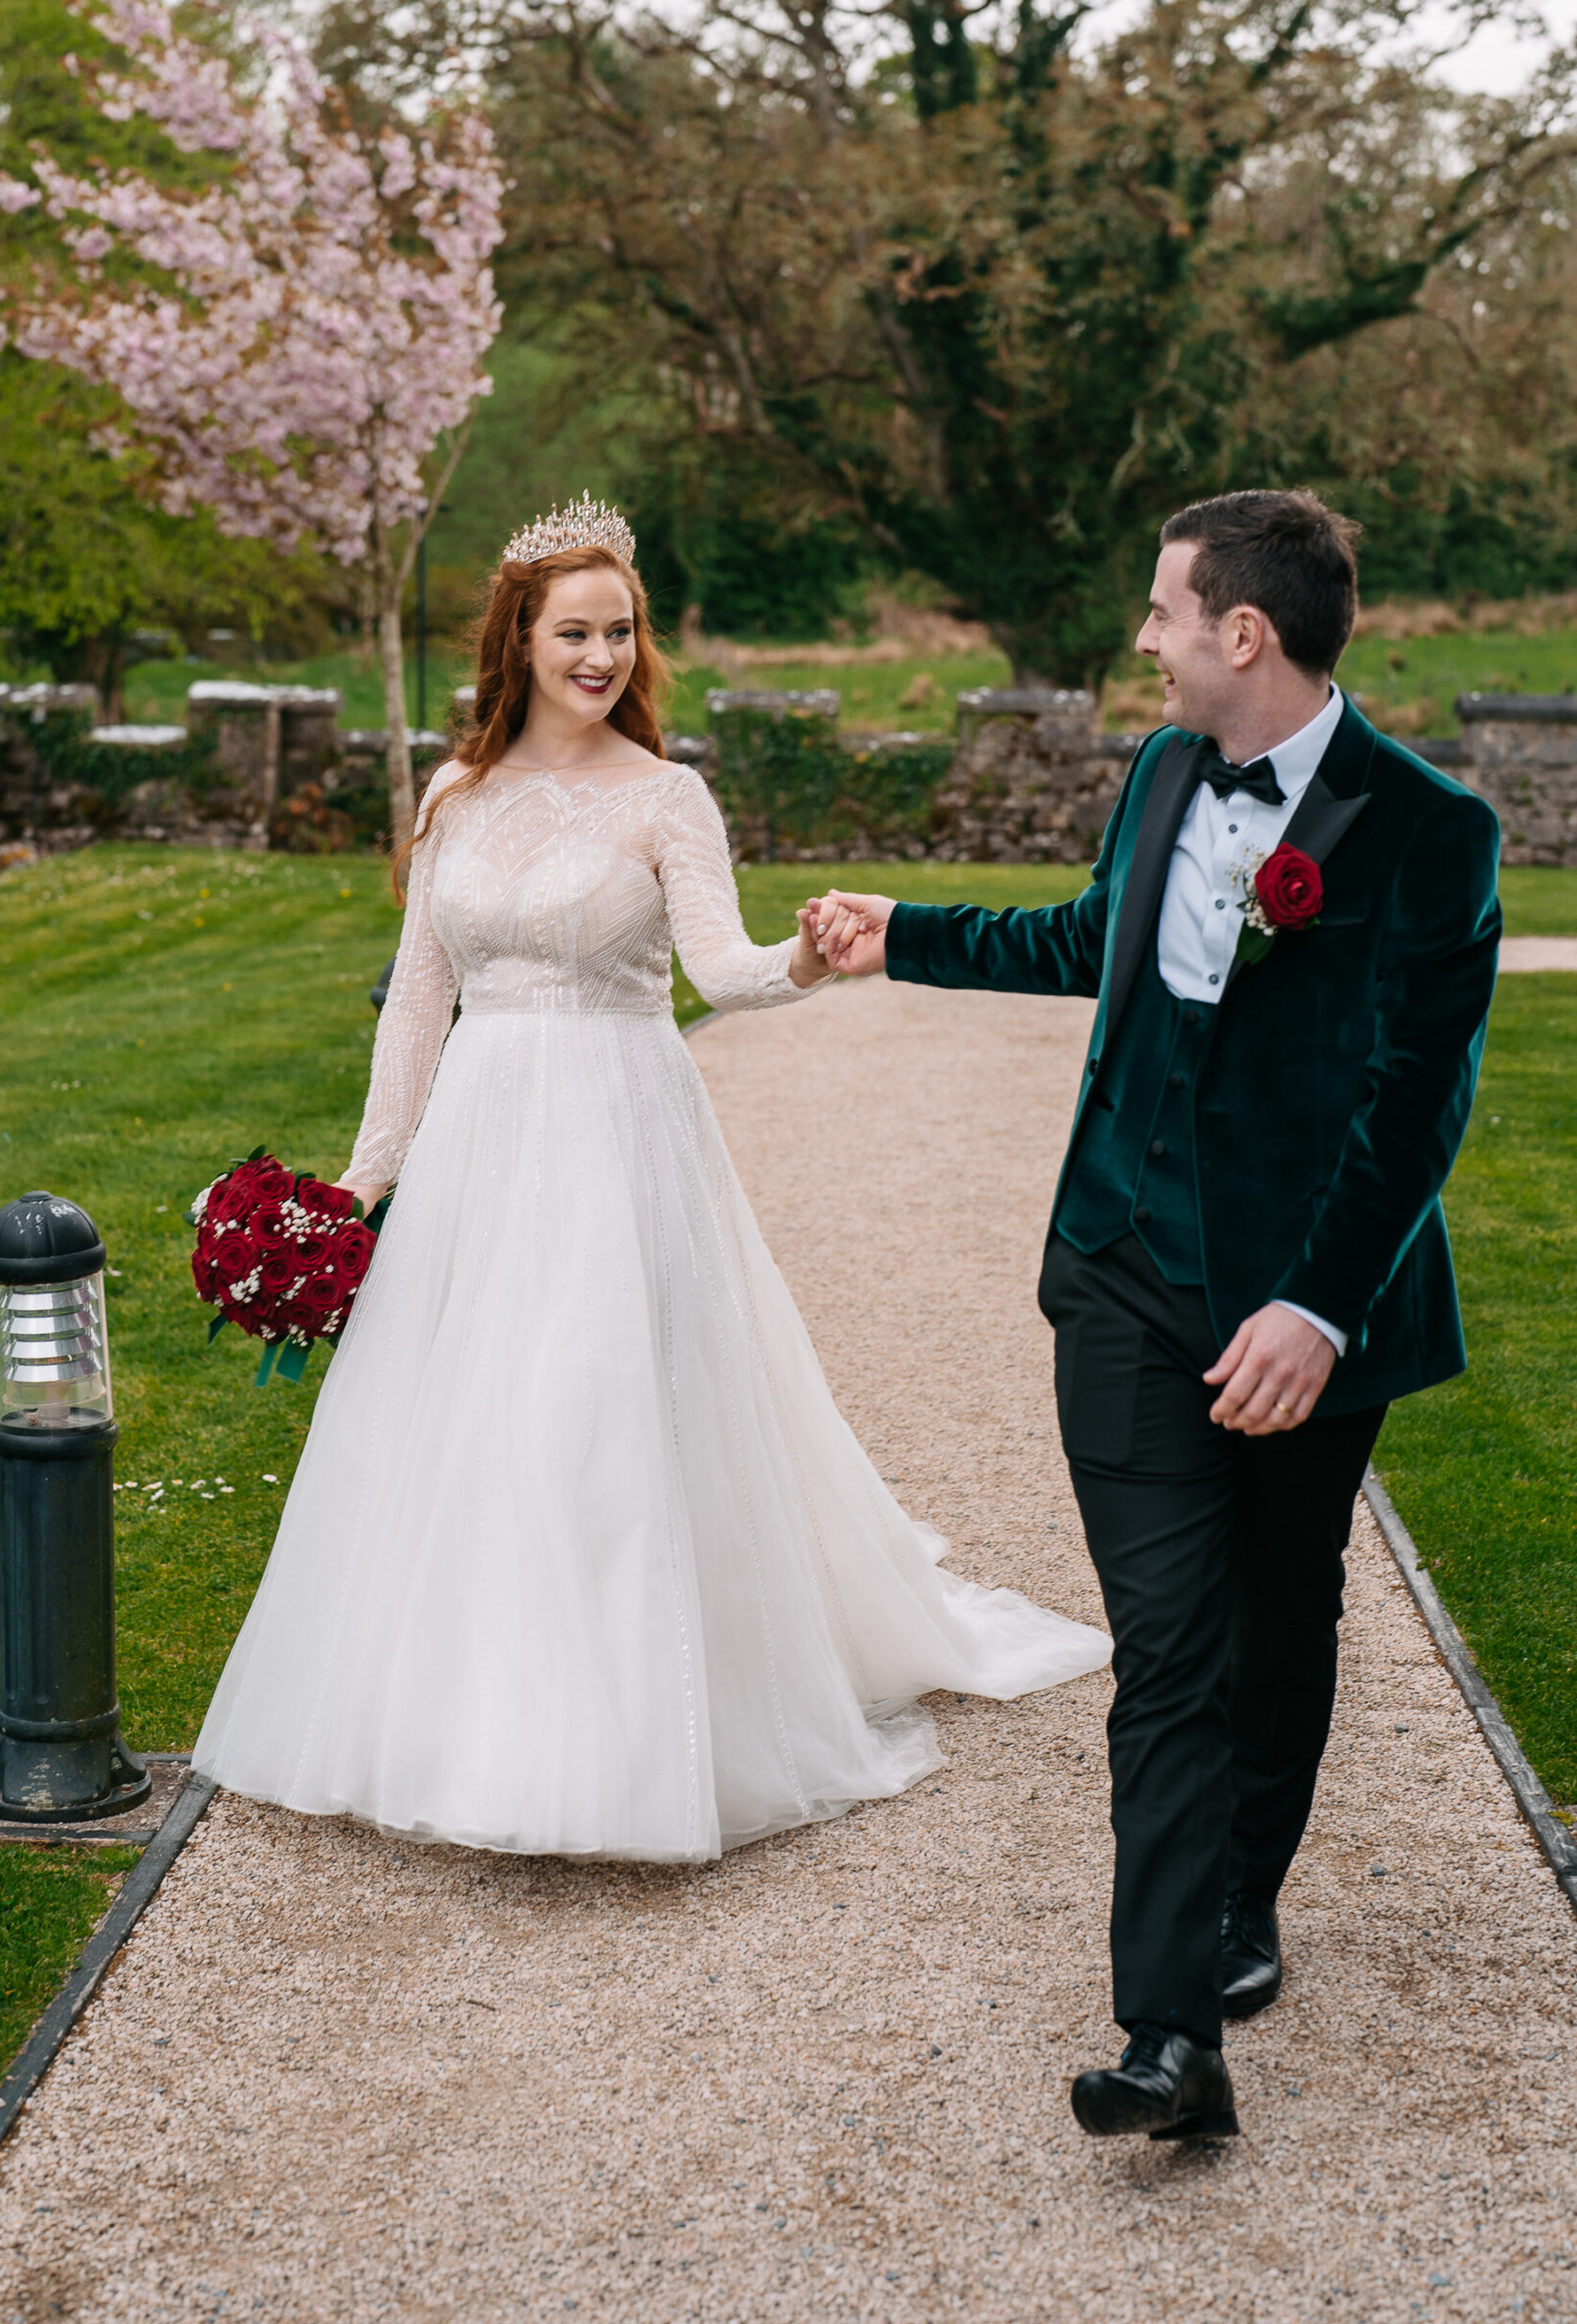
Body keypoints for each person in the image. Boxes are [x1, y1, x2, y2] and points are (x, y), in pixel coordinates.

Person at [194, 497, 1111, 1862]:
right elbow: (416, 1008)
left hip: (621, 1132)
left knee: (597, 1410)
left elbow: (723, 974)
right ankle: (468, 1724)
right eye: (577, 631)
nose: (603, 655)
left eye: (621, 630)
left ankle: (617, 1750)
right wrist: (362, 1186)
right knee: (472, 1416)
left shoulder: (668, 797)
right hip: (482, 1144)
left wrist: (805, 959)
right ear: (522, 635)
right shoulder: (455, 795)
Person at [809, 490, 1501, 2140]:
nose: (1143, 637)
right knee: (1175, 1642)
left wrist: (1316, 1314)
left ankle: (1246, 1891)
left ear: (1239, 634)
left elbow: (1412, 1110)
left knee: (1284, 1609)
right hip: (1120, 1267)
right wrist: (900, 932)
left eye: (1161, 611)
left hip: (1305, 1306)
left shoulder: (1430, 831)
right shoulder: (1162, 771)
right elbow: (1090, 939)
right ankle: (1171, 2033)